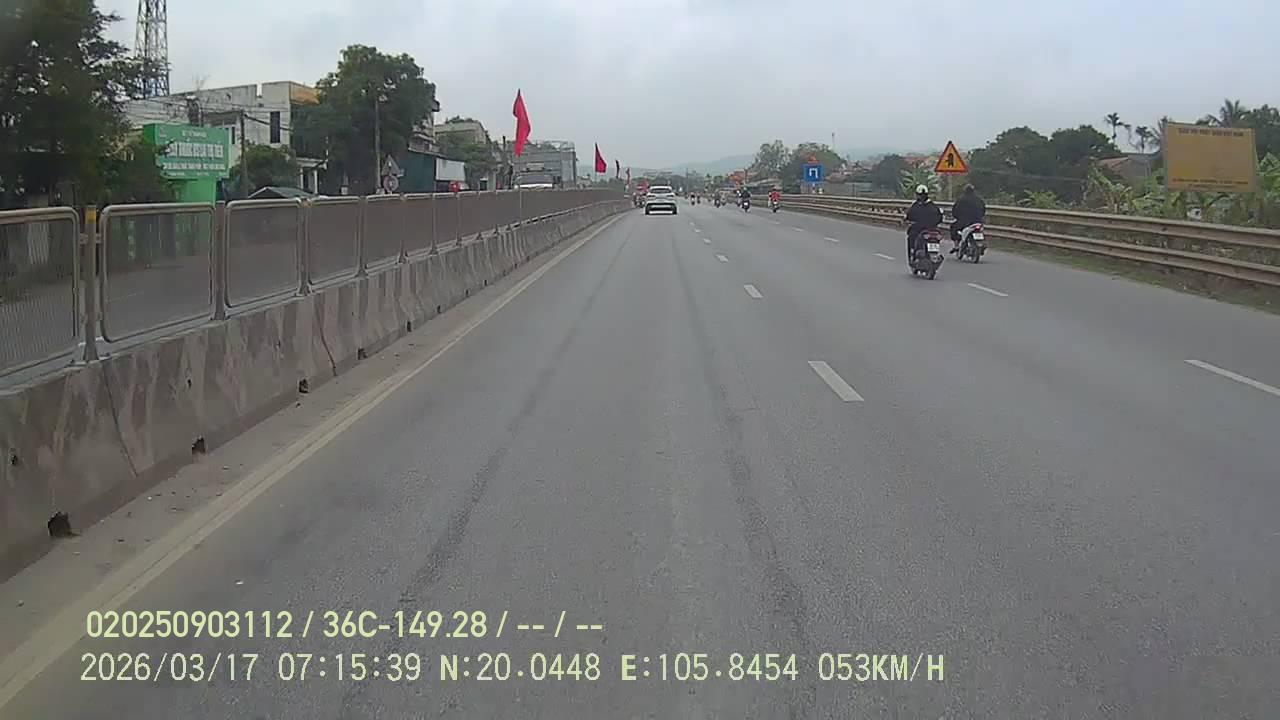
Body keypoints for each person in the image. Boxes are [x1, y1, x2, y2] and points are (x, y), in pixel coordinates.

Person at [904, 184, 943, 260]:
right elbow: (940, 218)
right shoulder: (933, 206)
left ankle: (912, 252)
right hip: (933, 229)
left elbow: (909, 215)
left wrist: (907, 219)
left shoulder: (916, 206)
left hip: (920, 229)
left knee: (911, 236)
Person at [950, 184, 986, 254]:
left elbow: (955, 211)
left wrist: (957, 216)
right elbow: (983, 210)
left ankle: (956, 245)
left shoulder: (961, 199)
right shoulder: (979, 199)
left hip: (964, 222)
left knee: (953, 227)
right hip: (978, 221)